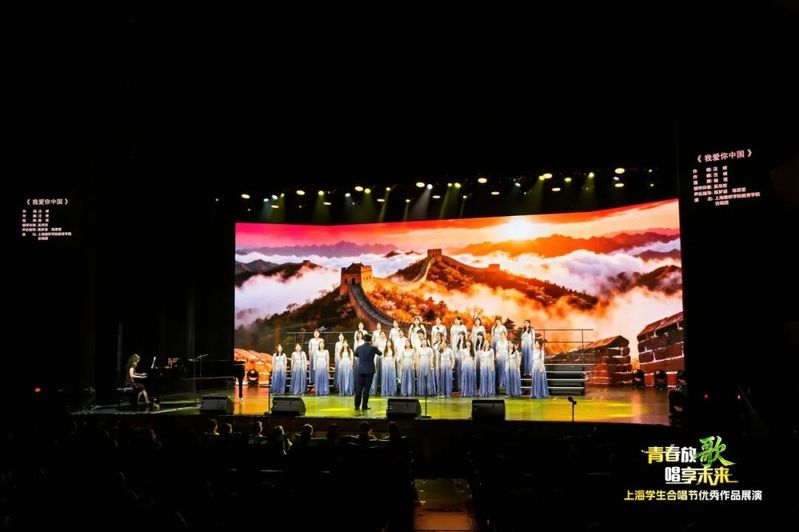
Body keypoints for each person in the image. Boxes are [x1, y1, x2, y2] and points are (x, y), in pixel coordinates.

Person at [354, 333, 381, 411]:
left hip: (361, 370)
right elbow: (380, 353)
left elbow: (356, 354)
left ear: (364, 339)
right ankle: (364, 406)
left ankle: (356, 406)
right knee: (366, 390)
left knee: (359, 389)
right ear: (371, 340)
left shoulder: (359, 348)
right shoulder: (373, 348)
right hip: (369, 371)